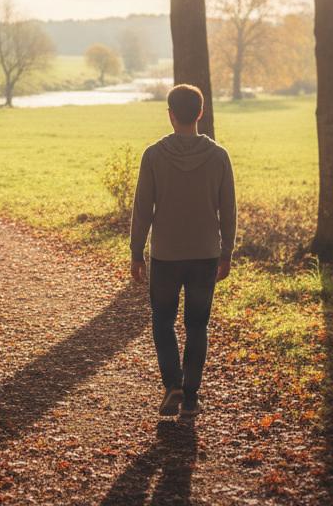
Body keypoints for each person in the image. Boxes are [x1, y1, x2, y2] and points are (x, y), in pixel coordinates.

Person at [129, 84, 235, 419]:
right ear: (200, 113)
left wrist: (136, 251)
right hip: (205, 254)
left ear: (171, 115)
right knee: (197, 325)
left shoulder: (154, 155)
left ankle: (172, 383)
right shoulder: (219, 156)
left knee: (162, 320)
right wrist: (227, 251)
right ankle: (190, 398)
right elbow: (228, 209)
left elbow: (143, 209)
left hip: (166, 256)